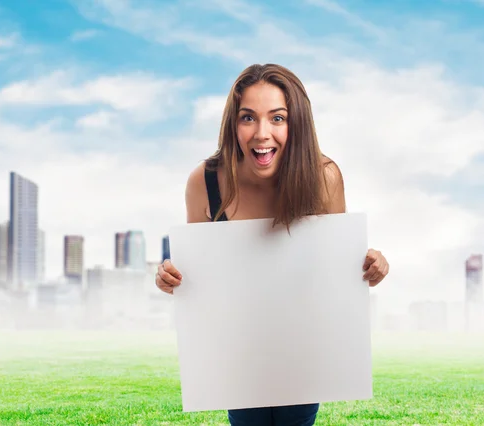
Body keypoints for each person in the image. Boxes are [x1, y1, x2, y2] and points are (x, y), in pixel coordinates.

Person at [155, 63, 390, 426]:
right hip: (238, 346)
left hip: (301, 344)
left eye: (277, 118)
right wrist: (171, 278)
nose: (262, 134)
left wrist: (370, 266)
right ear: (232, 124)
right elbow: (198, 279)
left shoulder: (323, 178)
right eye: (248, 118)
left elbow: (335, 272)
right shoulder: (205, 182)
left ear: (296, 124)